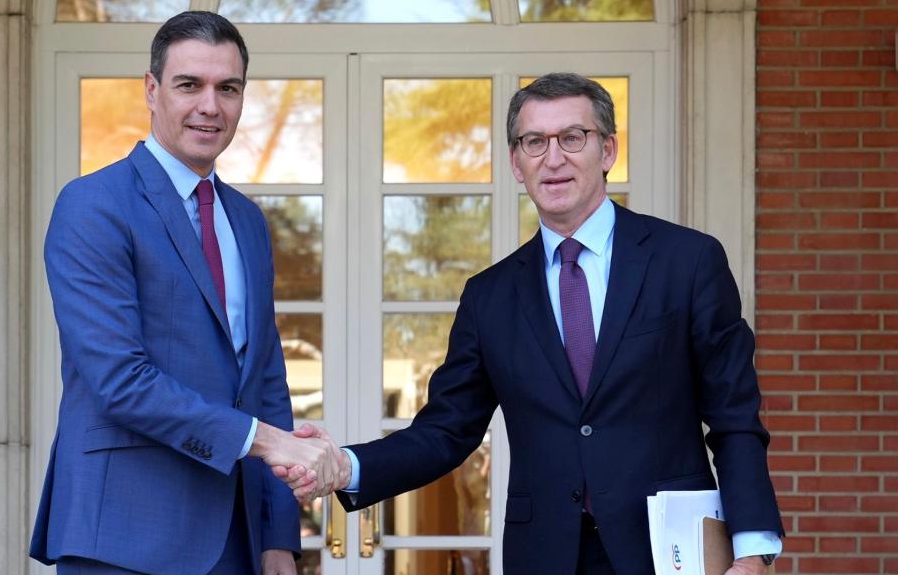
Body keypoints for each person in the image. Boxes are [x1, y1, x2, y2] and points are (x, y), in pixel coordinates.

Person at [279, 73, 784, 574]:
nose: (554, 158)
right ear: (517, 163)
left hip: (670, 552)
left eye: (572, 137)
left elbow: (734, 416)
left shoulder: (688, 261)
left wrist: (752, 548)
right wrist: (347, 466)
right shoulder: (490, 296)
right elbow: (446, 431)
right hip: (544, 554)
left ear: (607, 151)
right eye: (534, 142)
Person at [30, 12, 338, 575]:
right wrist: (271, 443)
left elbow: (265, 380)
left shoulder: (245, 220)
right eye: (189, 84)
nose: (210, 106)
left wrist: (276, 537)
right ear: (151, 90)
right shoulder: (93, 206)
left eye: (228, 88)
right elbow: (120, 381)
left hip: (236, 542)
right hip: (124, 536)